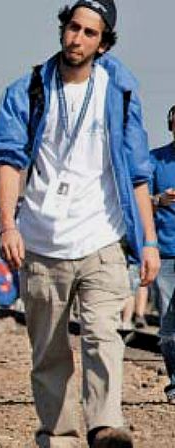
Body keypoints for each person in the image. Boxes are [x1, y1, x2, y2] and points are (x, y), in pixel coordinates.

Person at [0, 1, 159, 445]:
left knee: (104, 334)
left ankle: (104, 426)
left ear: (104, 43)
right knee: (50, 352)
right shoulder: (26, 90)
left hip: (102, 236)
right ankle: (59, 436)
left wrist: (149, 241)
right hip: (42, 242)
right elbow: (9, 161)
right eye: (72, 28)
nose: (76, 39)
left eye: (88, 33)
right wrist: (8, 225)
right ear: (63, 28)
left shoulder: (118, 89)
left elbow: (138, 171)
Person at [149, 104, 175, 404]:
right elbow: (140, 202)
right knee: (169, 329)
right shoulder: (155, 160)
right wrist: (160, 199)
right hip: (166, 253)